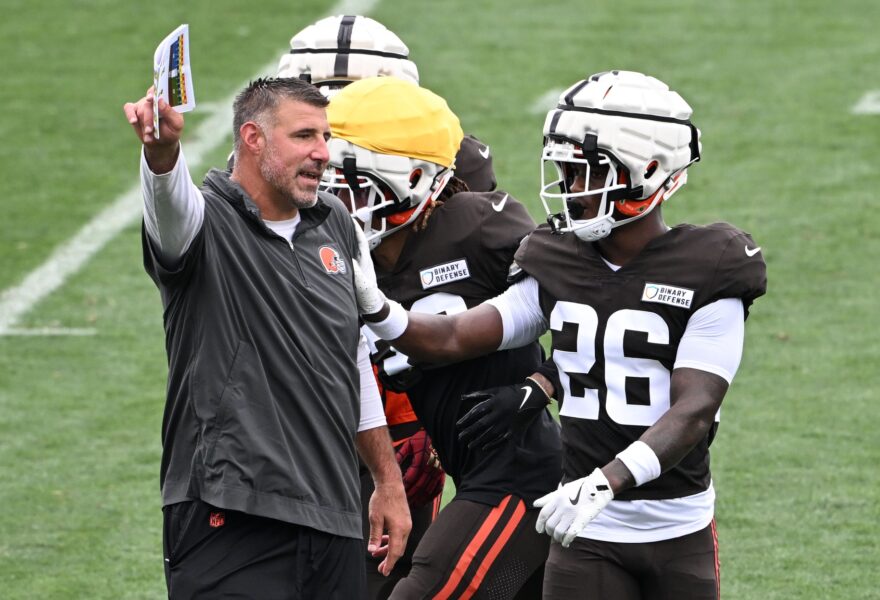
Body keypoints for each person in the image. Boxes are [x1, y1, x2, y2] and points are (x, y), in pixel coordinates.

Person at [352, 70, 767, 599]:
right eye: (567, 172)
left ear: (649, 169)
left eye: (585, 172)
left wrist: (606, 481)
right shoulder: (556, 258)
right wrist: (379, 307)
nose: (571, 190)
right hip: (583, 528)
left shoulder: (712, 264)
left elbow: (694, 410)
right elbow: (453, 336)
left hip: (675, 528)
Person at [122, 77, 409, 599]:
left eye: (325, 137)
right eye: (304, 136)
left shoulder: (336, 223)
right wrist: (162, 154)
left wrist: (387, 481)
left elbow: (350, 357)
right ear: (253, 138)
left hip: (333, 515)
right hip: (231, 513)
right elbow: (169, 206)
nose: (323, 153)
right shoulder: (204, 221)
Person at [276, 14, 499, 596]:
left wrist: (420, 420)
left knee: (387, 577)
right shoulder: (257, 168)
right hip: (291, 406)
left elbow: (462, 294)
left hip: (397, 402)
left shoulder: (443, 158)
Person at [324, 76, 562, 599]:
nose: (340, 203)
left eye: (356, 186)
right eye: (331, 186)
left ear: (413, 178)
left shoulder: (475, 224)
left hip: (520, 477)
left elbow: (593, 306)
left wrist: (540, 385)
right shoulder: (347, 258)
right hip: (470, 474)